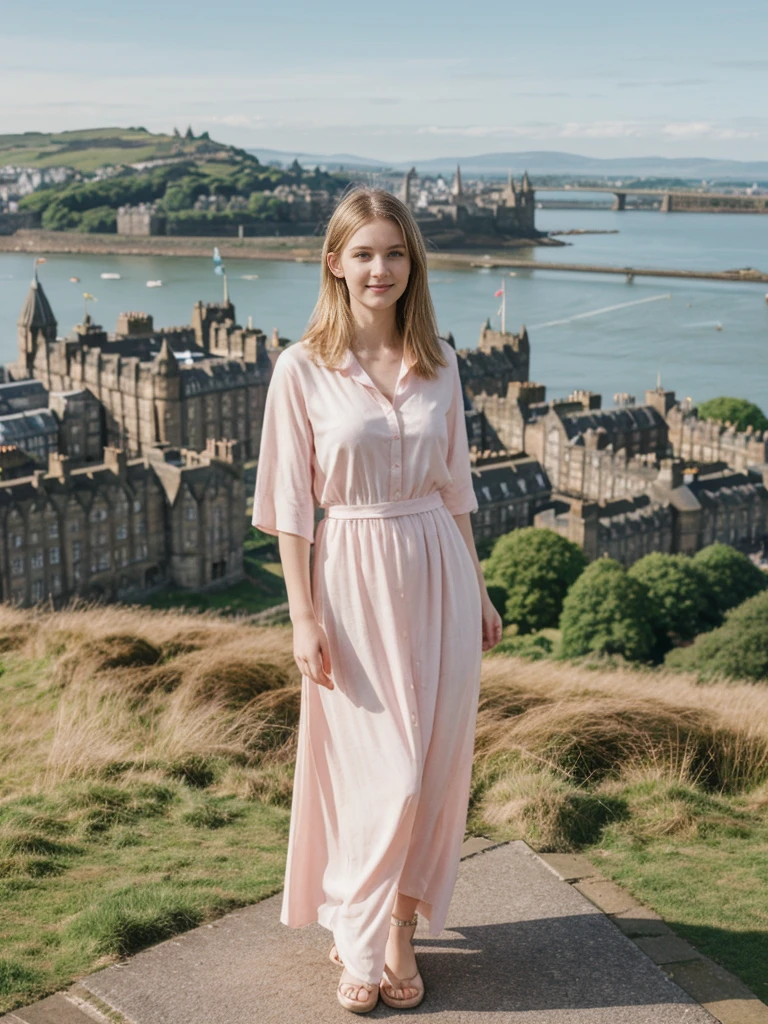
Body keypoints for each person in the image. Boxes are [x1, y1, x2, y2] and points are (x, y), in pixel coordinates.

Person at [252, 185, 503, 1013]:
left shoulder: (442, 362)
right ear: (335, 263)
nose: (380, 268)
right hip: (353, 575)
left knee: (431, 769)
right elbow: (290, 504)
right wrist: (302, 614)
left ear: (412, 264)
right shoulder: (301, 368)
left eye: (394, 253)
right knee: (379, 775)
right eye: (363, 253)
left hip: (439, 567)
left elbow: (457, 487)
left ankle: (395, 930)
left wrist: (480, 587)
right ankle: (354, 935)